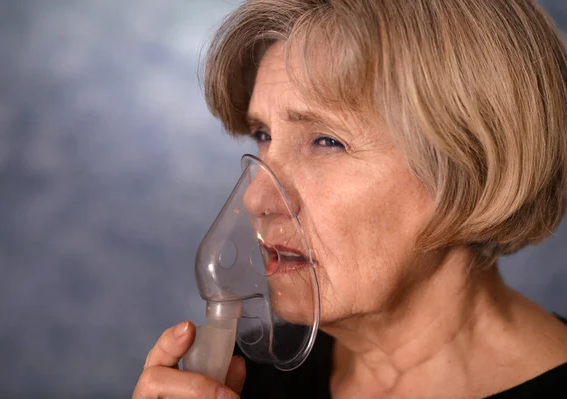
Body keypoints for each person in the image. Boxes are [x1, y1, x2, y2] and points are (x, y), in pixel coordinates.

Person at [132, 0, 567, 397]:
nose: (256, 199)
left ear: (471, 166)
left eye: (326, 141)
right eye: (263, 135)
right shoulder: (242, 382)